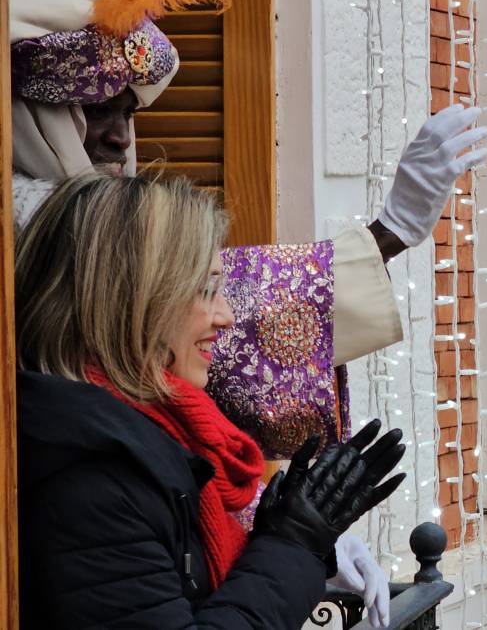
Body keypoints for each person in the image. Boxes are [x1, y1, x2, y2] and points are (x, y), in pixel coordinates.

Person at [9, 0, 483, 621]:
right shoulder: (33, 226)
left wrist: (278, 532)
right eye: (95, 110)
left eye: (128, 113)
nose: (119, 137)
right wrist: (386, 236)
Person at [15, 174, 407, 628]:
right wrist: (293, 545)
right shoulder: (93, 477)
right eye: (207, 290)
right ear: (131, 301)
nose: (227, 316)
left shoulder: (150, 433)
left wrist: (284, 542)